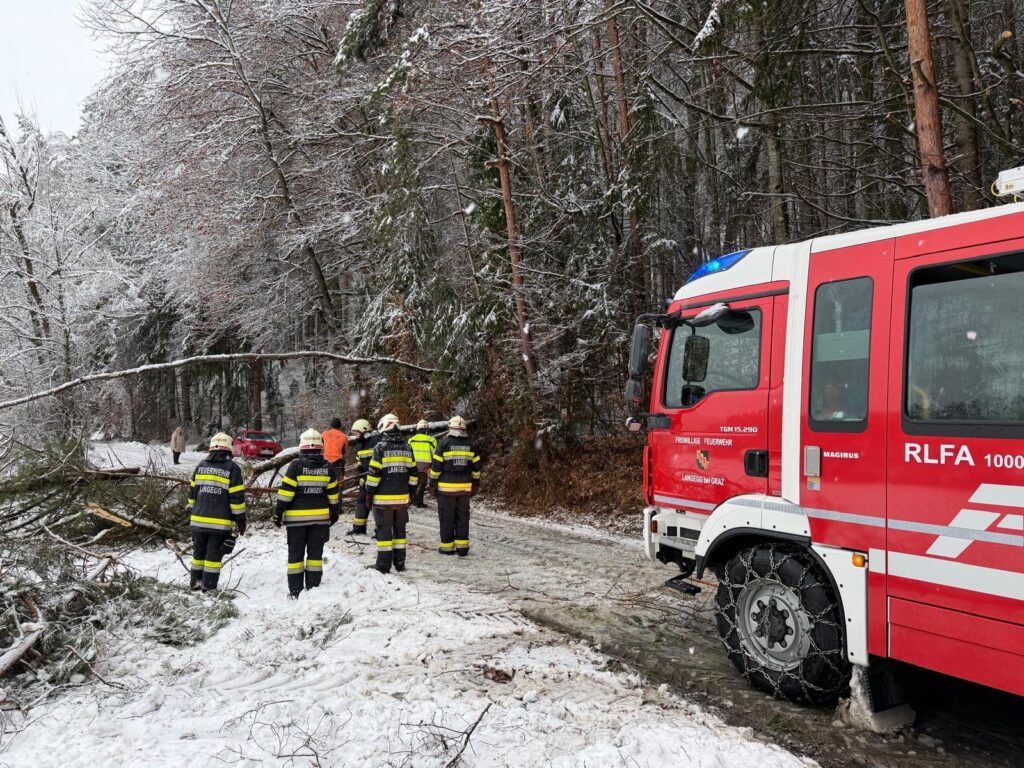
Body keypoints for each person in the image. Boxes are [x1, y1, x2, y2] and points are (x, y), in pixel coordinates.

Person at [275, 429, 341, 598]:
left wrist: (279, 512)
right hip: (320, 521)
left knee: (295, 556)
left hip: (296, 522)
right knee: (315, 556)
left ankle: (295, 590)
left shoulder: (296, 466)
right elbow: (333, 496)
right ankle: (313, 587)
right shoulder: (328, 467)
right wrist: (334, 513)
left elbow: (286, 493)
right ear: (321, 446)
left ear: (301, 446)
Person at [186, 432, 246, 591]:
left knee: (198, 554)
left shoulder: (201, 466)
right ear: (229, 449)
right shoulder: (232, 468)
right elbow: (236, 498)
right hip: (219, 523)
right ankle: (208, 586)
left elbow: (192, 492)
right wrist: (240, 520)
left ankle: (195, 583)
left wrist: (192, 510)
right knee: (213, 556)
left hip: (198, 520)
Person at [365, 414, 417, 573]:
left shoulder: (380, 447)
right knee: (400, 531)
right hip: (402, 499)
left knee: (384, 531)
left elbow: (374, 474)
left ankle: (383, 565)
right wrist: (411, 492)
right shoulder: (407, 447)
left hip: (383, 500)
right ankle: (400, 563)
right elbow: (414, 474)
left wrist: (369, 492)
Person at [429, 416, 481, 557]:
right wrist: (475, 484)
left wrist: (432, 483)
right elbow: (476, 468)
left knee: (447, 518)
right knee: (462, 517)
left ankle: (447, 548)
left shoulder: (444, 443)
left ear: (450, 428)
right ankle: (462, 548)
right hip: (464, 489)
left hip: (446, 490)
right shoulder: (471, 445)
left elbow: (436, 467)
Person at [346, 418, 379, 535]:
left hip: (376, 479)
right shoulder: (360, 444)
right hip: (364, 479)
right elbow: (360, 460)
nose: (355, 436)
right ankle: (359, 527)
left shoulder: (376, 441)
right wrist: (359, 468)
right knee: (361, 501)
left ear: (364, 431)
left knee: (376, 504)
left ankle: (380, 530)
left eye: (357, 433)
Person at [408, 419, 438, 508]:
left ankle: (412, 499)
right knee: (422, 483)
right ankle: (419, 502)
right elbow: (435, 454)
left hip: (413, 464)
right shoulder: (431, 439)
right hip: (425, 465)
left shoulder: (411, 440)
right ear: (427, 429)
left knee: (413, 482)